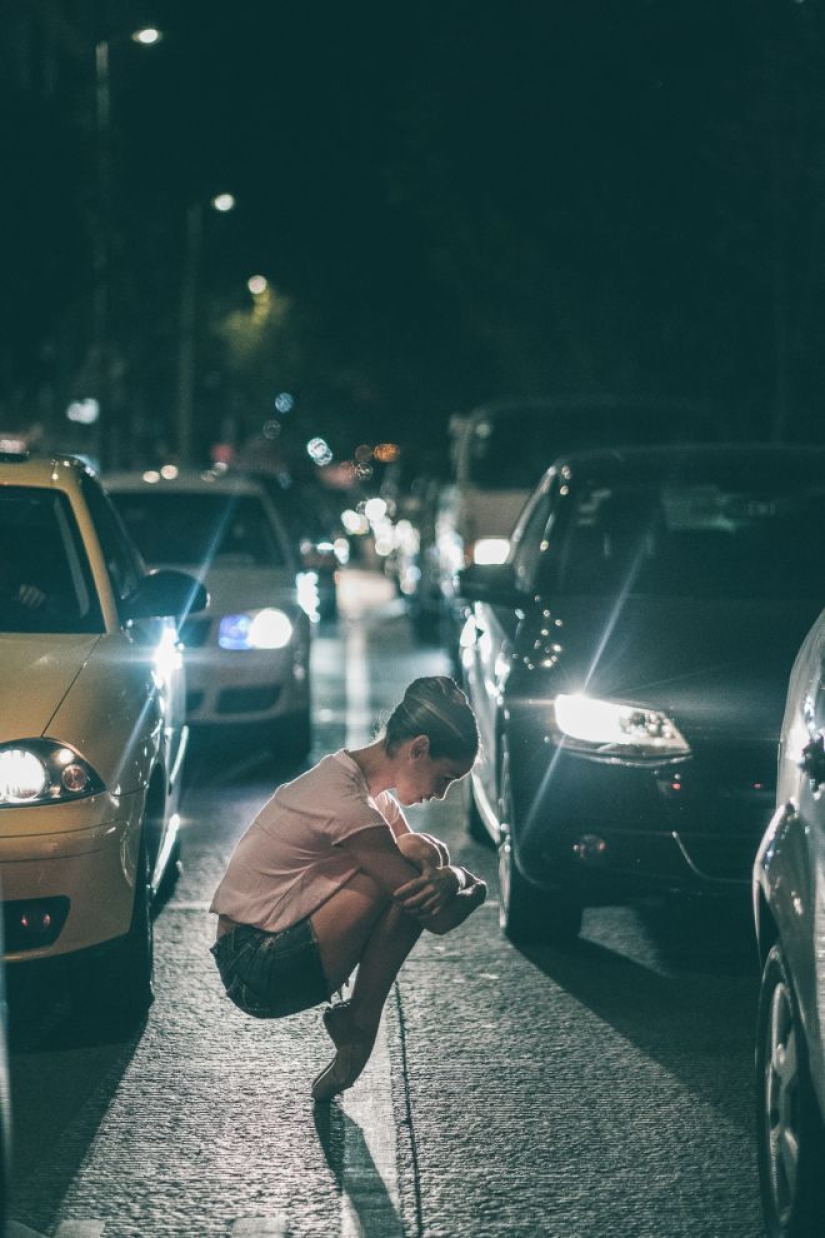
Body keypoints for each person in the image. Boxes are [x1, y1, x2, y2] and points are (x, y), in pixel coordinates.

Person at [209, 675, 487, 1101]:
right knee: (405, 874)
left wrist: (446, 872)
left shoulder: (372, 797)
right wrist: (472, 884)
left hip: (273, 953)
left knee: (415, 862)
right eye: (444, 778)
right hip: (253, 966)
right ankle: (360, 1024)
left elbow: (425, 865)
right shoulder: (345, 801)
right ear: (419, 749)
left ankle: (358, 1024)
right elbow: (438, 915)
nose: (441, 794)